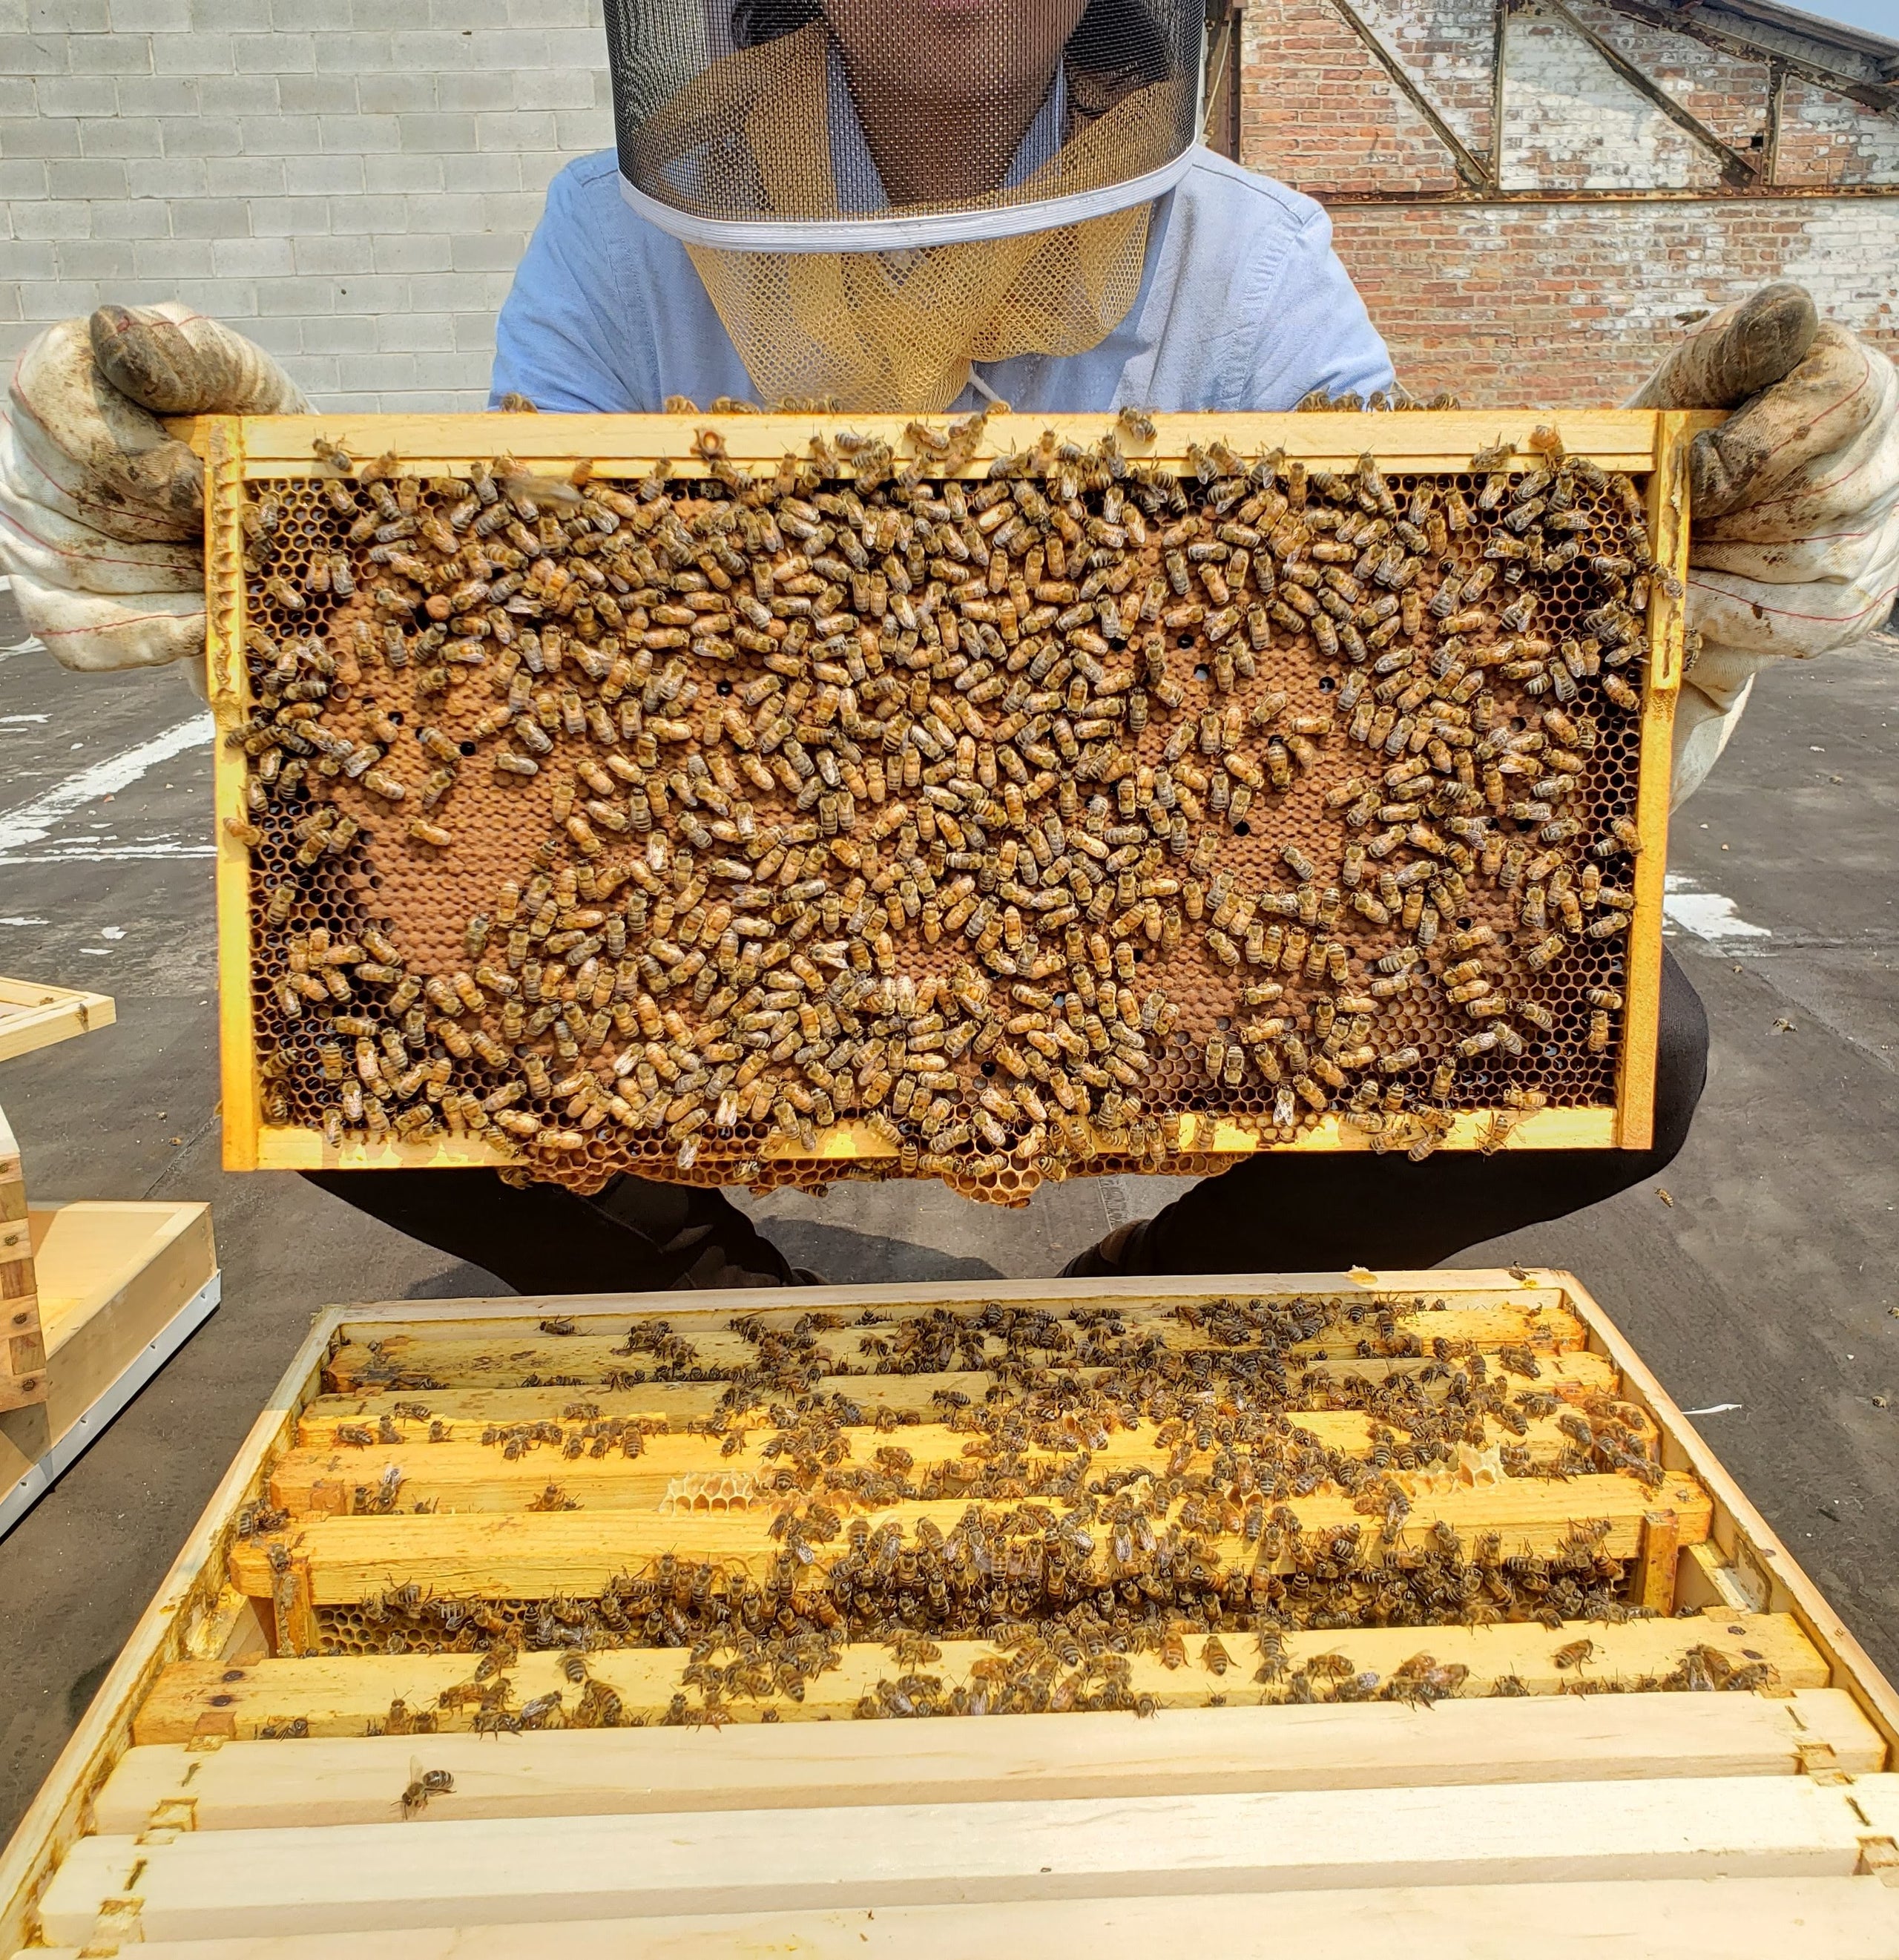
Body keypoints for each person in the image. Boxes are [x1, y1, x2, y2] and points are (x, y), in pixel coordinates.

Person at [4, 0, 1895, 1291]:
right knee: (347, 1004)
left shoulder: (1250, 255)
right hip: (721, 879)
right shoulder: (619, 232)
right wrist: (272, 590)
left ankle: (1164, 1289)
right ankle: (692, 1272)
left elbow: (1392, 685)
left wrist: (1657, 608)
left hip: (1139, 872)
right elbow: (517, 662)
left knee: (1634, 1032)